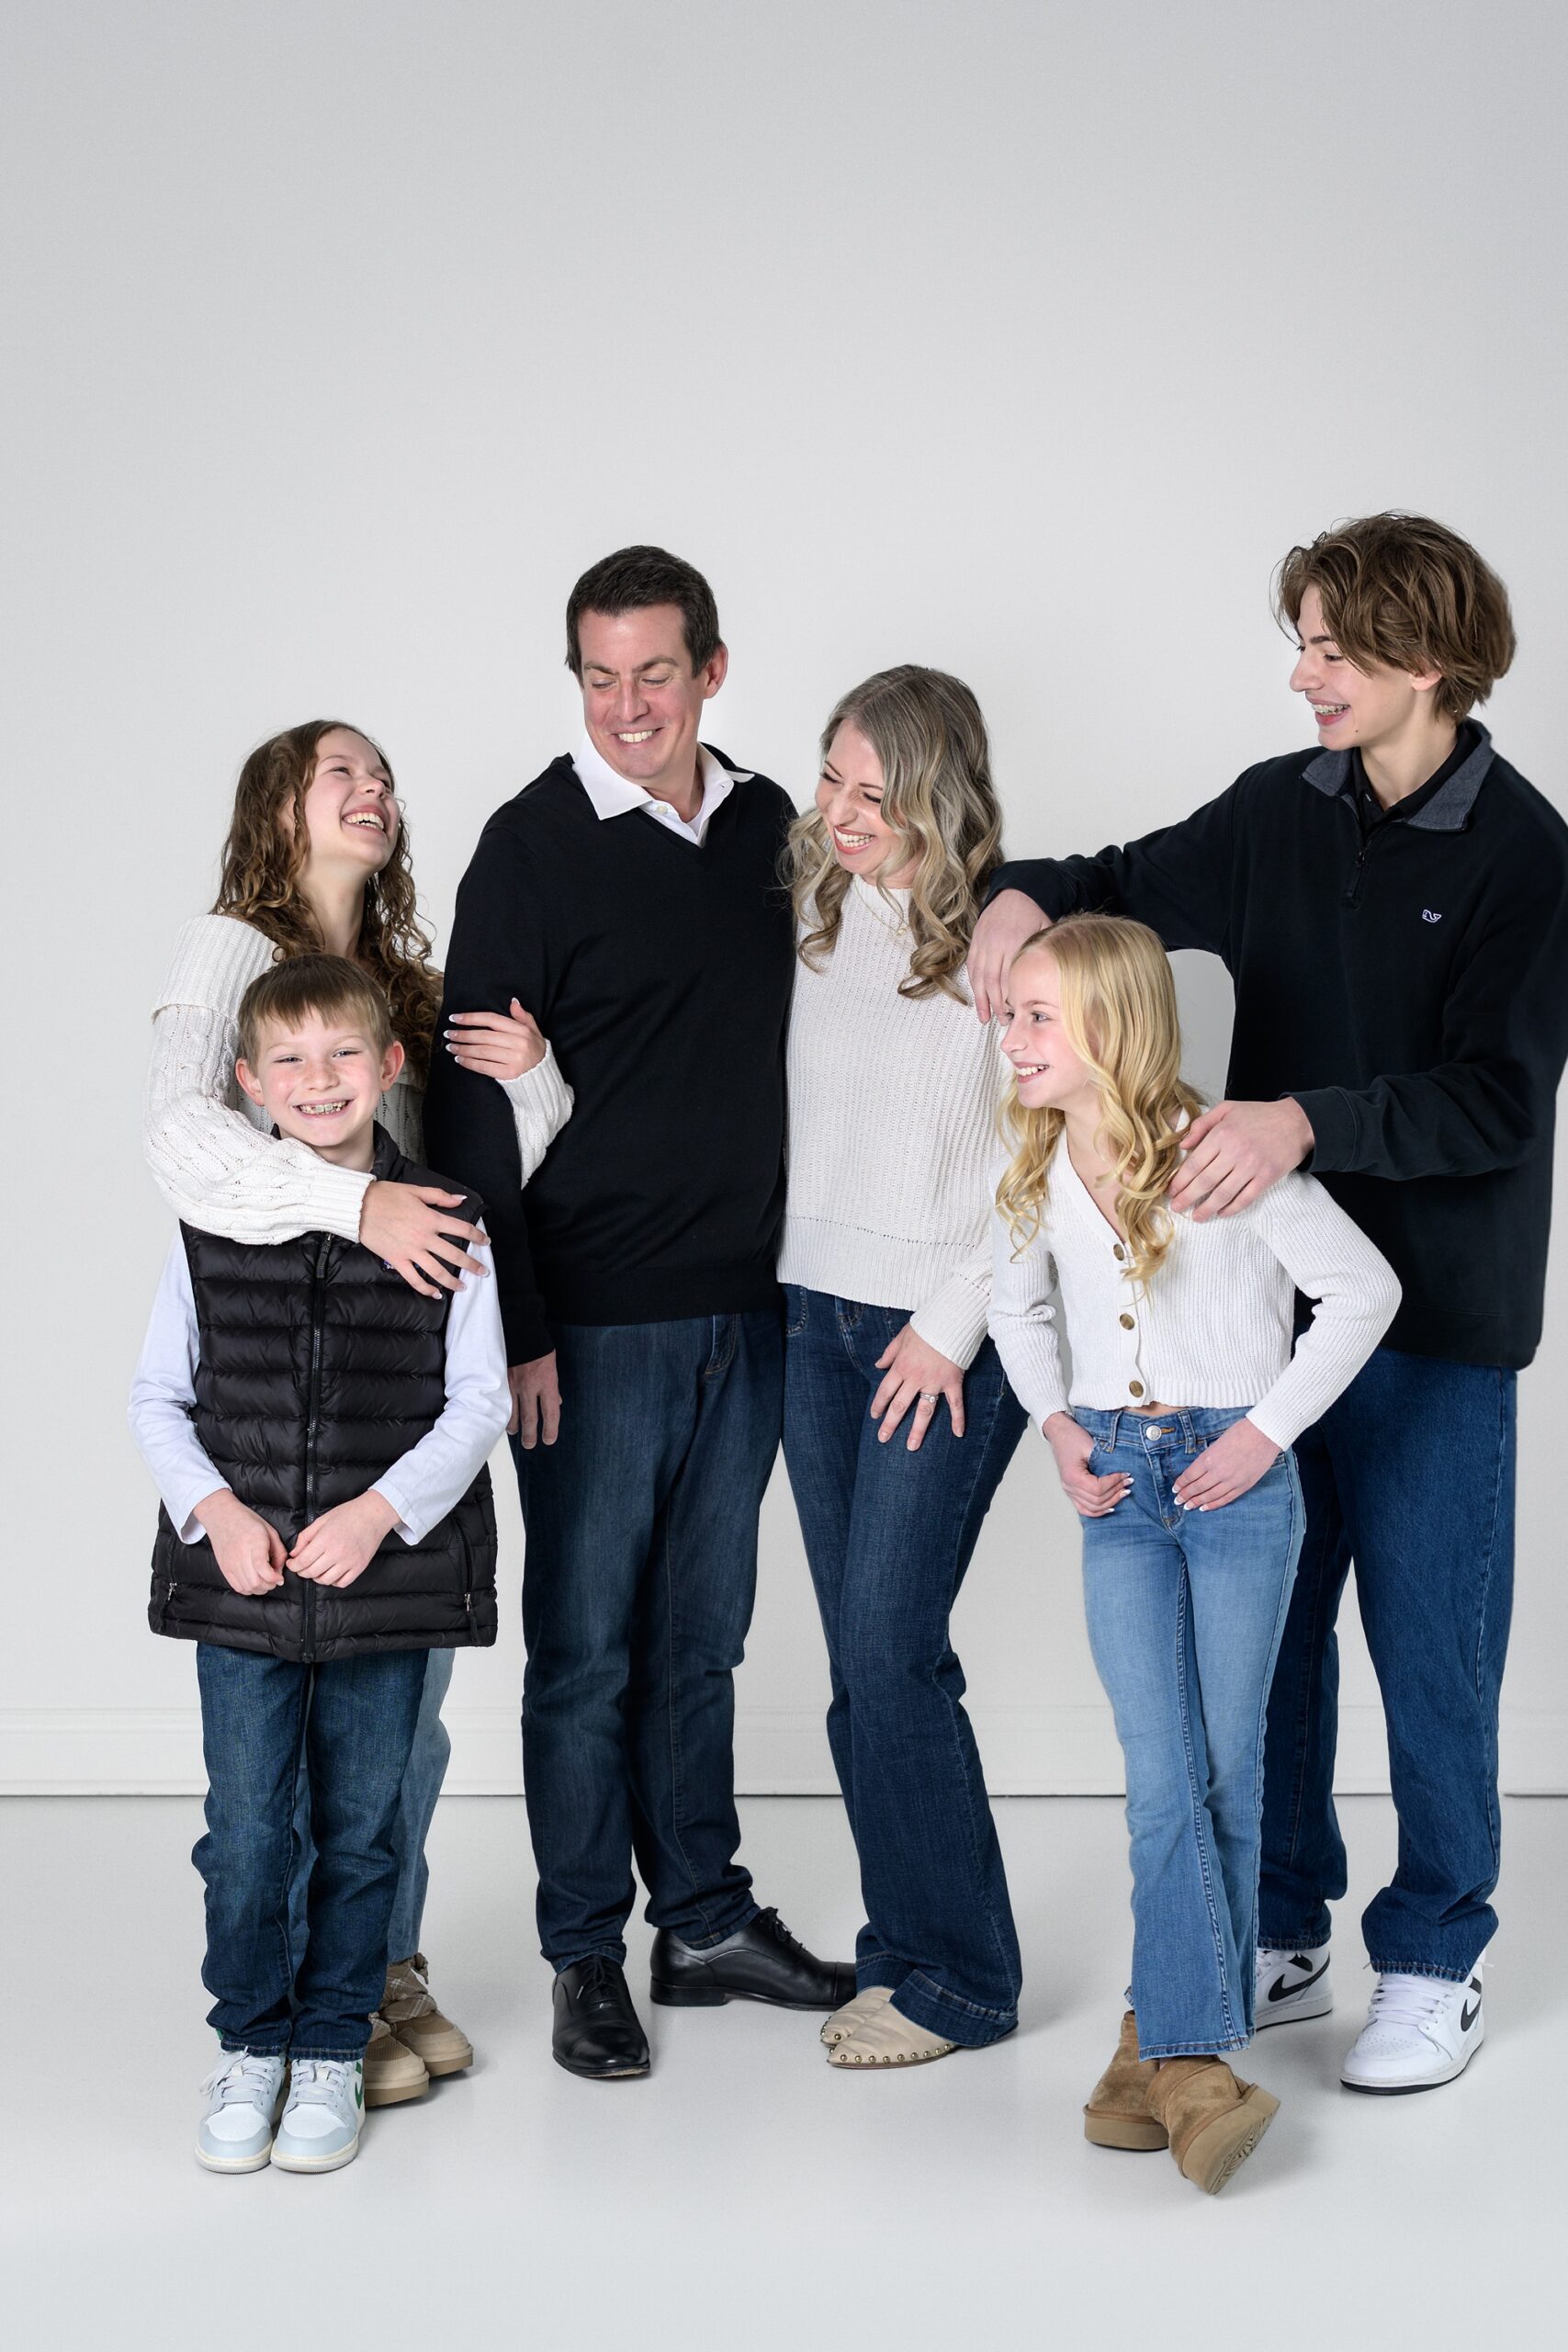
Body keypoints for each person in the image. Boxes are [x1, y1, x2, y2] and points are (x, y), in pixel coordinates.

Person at [970, 514, 1568, 2093]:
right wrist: (1013, 903)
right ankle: (1281, 1918)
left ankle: (1434, 1957)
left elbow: (1502, 1103)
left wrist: (1306, 1121)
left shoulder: (1526, 852)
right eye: (1299, 642)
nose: (1304, 675)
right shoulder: (1273, 811)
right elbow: (1110, 885)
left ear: (1426, 661)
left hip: (1437, 1323)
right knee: (1277, 1642)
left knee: (1434, 1646)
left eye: (1333, 650)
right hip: (1254, 1322)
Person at [423, 546, 852, 2080]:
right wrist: (520, 1329)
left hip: (752, 1310)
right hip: (591, 1327)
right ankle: (580, 1951)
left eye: (654, 675)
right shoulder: (527, 849)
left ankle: (706, 1921)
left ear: (712, 673)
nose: (626, 707)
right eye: (599, 678)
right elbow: (476, 1122)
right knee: (587, 1650)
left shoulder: (771, 832)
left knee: (704, 1638)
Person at [143, 719, 570, 2104]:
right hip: (281, 1378)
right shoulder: (232, 955)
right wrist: (358, 1200)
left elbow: (479, 1181)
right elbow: (183, 1147)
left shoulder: (409, 983)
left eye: (383, 771)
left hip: (410, 1396)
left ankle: (377, 1973)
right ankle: (311, 2007)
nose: (372, 786)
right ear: (278, 809)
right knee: (282, 1761)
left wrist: (533, 1091)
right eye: (341, 771)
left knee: (404, 1721)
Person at [989, 916, 1398, 2190]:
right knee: (1164, 1775)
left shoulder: (1222, 1155)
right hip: (1117, 1487)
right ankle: (1190, 2063)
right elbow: (1013, 1300)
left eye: (1039, 1017)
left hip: (1234, 1485)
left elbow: (1363, 1290)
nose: (1014, 1038)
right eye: (1013, 1017)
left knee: (1224, 1773)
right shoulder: (1035, 1163)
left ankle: (1153, 2052)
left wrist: (1268, 1432)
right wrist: (1057, 1427)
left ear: (1111, 1026)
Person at [130, 956, 513, 2173]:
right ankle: (253, 2042)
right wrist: (216, 1513)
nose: (318, 1079)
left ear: (389, 1066)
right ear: (247, 1084)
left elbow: (477, 1400)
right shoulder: (209, 1221)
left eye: (344, 1054)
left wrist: (377, 1515)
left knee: (360, 1835)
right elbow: (157, 1396)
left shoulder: (447, 1217)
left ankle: (333, 2051)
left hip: (379, 1587)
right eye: (287, 1061)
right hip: (241, 1586)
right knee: (249, 1830)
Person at [779, 665, 1027, 2069]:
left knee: (890, 1649)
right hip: (811, 1319)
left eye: (876, 793)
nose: (845, 813)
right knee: (857, 1665)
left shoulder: (1001, 948)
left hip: (938, 1337)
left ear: (939, 791)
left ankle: (963, 1981)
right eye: (832, 781)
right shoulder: (816, 921)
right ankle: (900, 1945)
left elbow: (1045, 1166)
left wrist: (953, 1319)